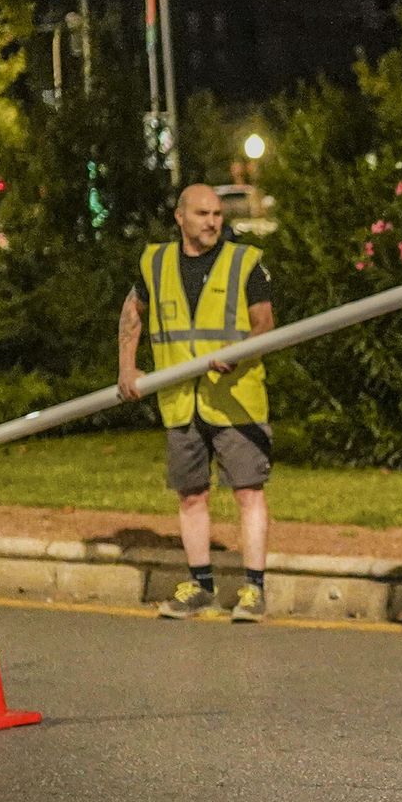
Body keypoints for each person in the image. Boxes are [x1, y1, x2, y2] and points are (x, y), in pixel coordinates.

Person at [118, 184, 276, 623]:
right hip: (180, 401)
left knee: (248, 492)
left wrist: (239, 351)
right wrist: (127, 368)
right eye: (203, 214)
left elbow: (265, 324)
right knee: (191, 496)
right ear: (180, 217)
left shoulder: (245, 262)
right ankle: (201, 586)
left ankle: (254, 590)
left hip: (236, 400)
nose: (212, 222)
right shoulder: (156, 263)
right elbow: (132, 312)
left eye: (217, 215)